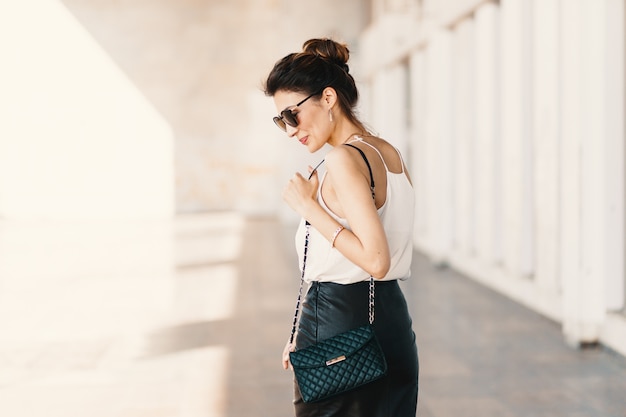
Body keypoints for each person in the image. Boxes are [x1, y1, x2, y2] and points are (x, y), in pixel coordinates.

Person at [263, 38, 419, 417]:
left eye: (292, 114)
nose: (289, 129)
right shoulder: (387, 152)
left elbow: (375, 260)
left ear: (328, 98)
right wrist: (303, 336)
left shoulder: (344, 160)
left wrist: (309, 208)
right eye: (280, 120)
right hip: (391, 323)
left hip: (339, 326)